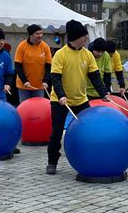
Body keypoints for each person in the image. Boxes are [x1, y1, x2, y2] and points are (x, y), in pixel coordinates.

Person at [47, 20, 110, 175]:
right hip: (60, 101)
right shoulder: (60, 55)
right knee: (56, 133)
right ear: (75, 37)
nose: (86, 39)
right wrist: (61, 96)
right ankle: (52, 162)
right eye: (84, 37)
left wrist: (104, 93)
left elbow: (95, 77)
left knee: (89, 129)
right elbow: (55, 78)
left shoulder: (87, 55)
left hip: (81, 100)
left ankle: (90, 156)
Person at [14, 24, 52, 103]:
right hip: (24, 85)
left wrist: (45, 80)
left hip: (39, 86)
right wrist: (25, 81)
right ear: (31, 35)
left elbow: (48, 66)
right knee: (25, 108)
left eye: (41, 33)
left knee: (38, 108)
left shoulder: (45, 46)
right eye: (37, 33)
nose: (40, 36)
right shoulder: (22, 46)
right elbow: (18, 66)